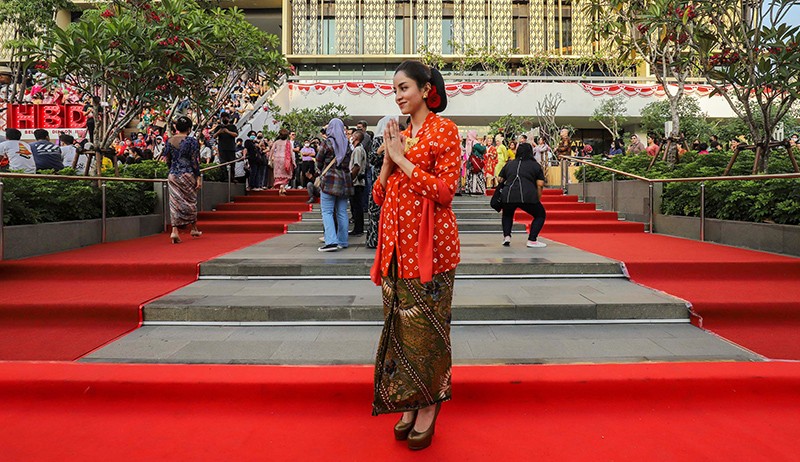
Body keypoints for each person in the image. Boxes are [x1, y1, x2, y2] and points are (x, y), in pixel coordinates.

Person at [371, 60, 461, 451]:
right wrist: (389, 162)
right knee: (401, 331)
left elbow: (445, 192)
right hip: (394, 249)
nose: (398, 95)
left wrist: (403, 161)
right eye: (395, 90)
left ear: (426, 89)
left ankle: (428, 404)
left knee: (428, 333)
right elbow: (379, 196)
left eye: (404, 87)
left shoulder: (445, 130)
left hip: (431, 250)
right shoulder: (401, 135)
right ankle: (407, 398)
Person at [497, 142, 547, 248]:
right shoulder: (535, 165)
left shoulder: (509, 164)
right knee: (540, 214)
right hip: (527, 195)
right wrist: (537, 197)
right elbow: (540, 184)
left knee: (507, 214)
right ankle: (532, 239)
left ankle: (507, 237)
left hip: (508, 194)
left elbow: (500, 179)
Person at [164, 116, 202, 244]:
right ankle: (194, 228)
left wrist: (172, 169)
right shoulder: (192, 141)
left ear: (176, 127)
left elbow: (167, 159)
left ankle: (174, 231)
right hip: (187, 173)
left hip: (173, 173)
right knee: (191, 200)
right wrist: (198, 177)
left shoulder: (169, 141)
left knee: (174, 201)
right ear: (189, 128)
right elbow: (195, 161)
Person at [316, 119, 353, 252]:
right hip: (344, 181)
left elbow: (319, 161)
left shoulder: (327, 143)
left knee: (327, 211)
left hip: (330, 180)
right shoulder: (347, 143)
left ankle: (331, 241)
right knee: (342, 212)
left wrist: (321, 170)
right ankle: (343, 241)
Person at [365, 115, 398, 248]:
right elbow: (372, 159)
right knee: (376, 211)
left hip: (393, 179)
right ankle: (375, 240)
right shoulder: (378, 140)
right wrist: (381, 149)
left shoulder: (398, 140)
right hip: (380, 178)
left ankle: (389, 241)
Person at [348, 130, 367, 236]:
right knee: (355, 206)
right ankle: (357, 228)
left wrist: (350, 179)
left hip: (356, 182)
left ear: (356, 138)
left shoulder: (358, 150)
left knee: (356, 206)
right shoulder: (358, 149)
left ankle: (358, 229)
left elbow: (357, 166)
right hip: (358, 181)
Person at [212, 112, 238, 181]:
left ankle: (232, 178)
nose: (224, 119)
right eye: (223, 117)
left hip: (231, 148)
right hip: (222, 148)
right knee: (223, 164)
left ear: (228, 118)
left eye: (225, 117)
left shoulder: (232, 126)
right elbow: (214, 136)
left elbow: (236, 134)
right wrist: (219, 132)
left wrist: (228, 131)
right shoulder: (219, 127)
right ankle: (224, 178)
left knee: (232, 164)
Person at [270, 129, 296, 195]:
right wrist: (293, 162)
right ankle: (283, 186)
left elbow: (272, 150)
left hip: (277, 159)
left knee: (278, 174)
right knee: (286, 174)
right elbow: (291, 152)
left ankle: (280, 187)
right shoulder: (288, 143)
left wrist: (270, 159)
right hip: (285, 159)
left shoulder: (276, 142)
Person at [465, 131, 486, 195]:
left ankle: (470, 189)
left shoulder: (468, 142)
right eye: (476, 135)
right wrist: (484, 145)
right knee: (477, 175)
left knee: (471, 175)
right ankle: (477, 189)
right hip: (476, 162)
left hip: (471, 161)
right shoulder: (475, 143)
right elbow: (482, 150)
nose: (477, 136)